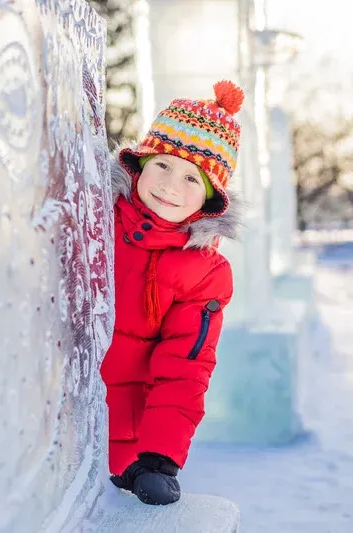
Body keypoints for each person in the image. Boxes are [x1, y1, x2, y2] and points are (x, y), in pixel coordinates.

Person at [101, 80, 245, 505]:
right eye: (162, 164)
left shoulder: (204, 274)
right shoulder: (95, 215)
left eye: (191, 178)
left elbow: (185, 366)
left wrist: (158, 457)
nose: (170, 185)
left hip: (116, 434)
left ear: (210, 199)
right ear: (139, 164)